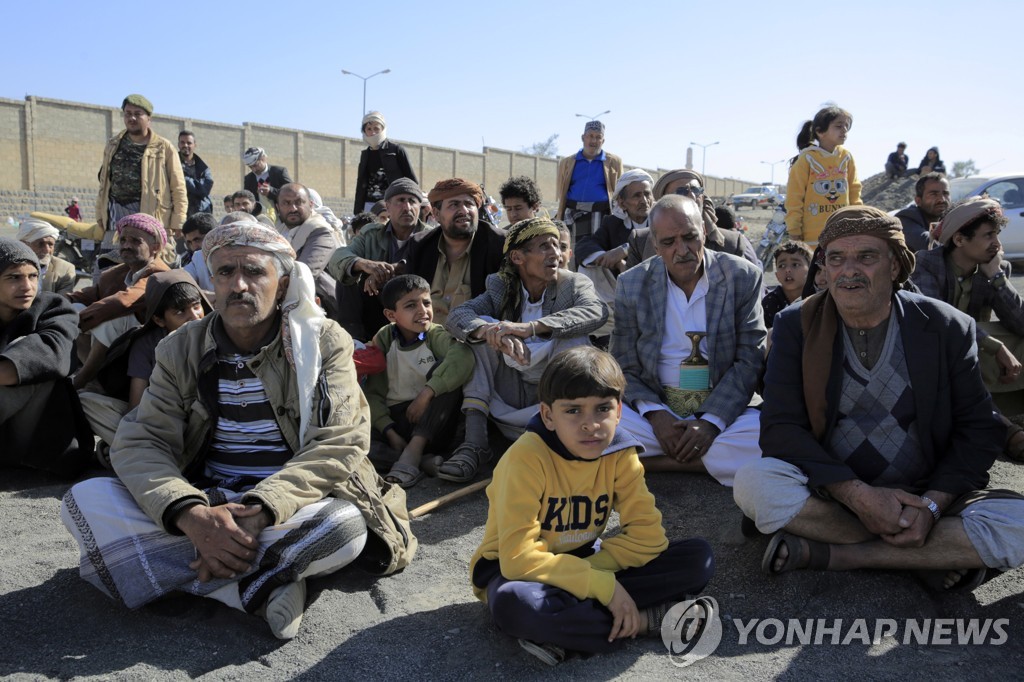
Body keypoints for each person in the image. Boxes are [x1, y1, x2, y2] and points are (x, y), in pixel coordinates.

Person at [61, 221, 417, 639]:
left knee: (344, 527)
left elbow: (340, 444)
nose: (239, 285)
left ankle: (203, 566)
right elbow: (142, 440)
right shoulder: (181, 346)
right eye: (226, 273)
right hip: (204, 493)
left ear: (282, 285)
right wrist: (189, 514)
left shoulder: (323, 341)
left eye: (254, 272)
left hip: (290, 504)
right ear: (212, 282)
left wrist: (261, 510)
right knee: (83, 500)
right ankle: (253, 588)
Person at [733, 205, 1024, 593]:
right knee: (754, 483)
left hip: (928, 492)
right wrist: (860, 496)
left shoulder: (948, 327)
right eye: (836, 258)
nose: (848, 271)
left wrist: (934, 505)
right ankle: (930, 555)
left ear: (895, 267)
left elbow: (978, 428)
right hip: (833, 491)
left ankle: (835, 554)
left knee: (1018, 522)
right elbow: (780, 428)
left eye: (866, 257)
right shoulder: (795, 324)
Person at [469, 346, 715, 664]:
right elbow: (518, 560)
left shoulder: (621, 453)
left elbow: (648, 539)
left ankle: (567, 633)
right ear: (548, 415)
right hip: (521, 574)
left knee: (698, 558)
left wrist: (594, 579)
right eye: (573, 411)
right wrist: (604, 588)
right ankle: (646, 621)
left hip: (584, 561)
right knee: (515, 604)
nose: (590, 424)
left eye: (602, 409)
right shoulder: (525, 458)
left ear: (619, 412)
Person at [612, 195, 765, 485]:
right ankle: (709, 462)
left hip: (723, 410)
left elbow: (749, 361)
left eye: (690, 237)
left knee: (769, 436)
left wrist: (710, 422)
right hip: (655, 409)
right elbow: (623, 365)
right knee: (594, 427)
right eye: (669, 242)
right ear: (655, 245)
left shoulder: (742, 276)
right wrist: (657, 416)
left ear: (703, 233)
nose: (682, 250)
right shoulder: (632, 284)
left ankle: (651, 463)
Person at [443, 218, 609, 483]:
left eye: (557, 245)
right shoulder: (500, 286)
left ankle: (560, 442)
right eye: (544, 246)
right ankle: (475, 444)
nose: (555, 253)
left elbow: (596, 311)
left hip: (558, 394)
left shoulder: (573, 283)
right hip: (515, 391)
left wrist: (530, 328)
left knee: (574, 342)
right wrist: (490, 333)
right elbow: (458, 316)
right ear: (518, 257)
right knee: (481, 331)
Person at [910, 197, 1024, 460]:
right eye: (988, 235)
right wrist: (994, 346)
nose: (996, 243)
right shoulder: (926, 264)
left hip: (975, 356)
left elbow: (1020, 322)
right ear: (960, 240)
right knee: (951, 347)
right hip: (937, 356)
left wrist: (997, 278)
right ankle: (1007, 432)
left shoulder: (994, 266)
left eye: (996, 234)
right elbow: (938, 319)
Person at [78, 270, 208, 457]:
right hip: (160, 424)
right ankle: (139, 451)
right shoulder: (146, 344)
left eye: (196, 306)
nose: (194, 316)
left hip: (205, 424)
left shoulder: (216, 335)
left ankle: (130, 452)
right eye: (180, 311)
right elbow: (136, 407)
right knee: (86, 401)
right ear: (159, 319)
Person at [363, 275, 474, 488]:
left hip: (432, 421)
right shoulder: (385, 339)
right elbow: (373, 393)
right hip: (397, 422)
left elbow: (462, 356)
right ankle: (421, 462)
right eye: (411, 305)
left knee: (445, 369)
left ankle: (415, 450)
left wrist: (427, 393)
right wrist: (389, 431)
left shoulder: (434, 335)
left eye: (426, 302)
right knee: (359, 446)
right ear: (391, 315)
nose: (423, 311)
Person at [0, 238, 92, 476]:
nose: (28, 286)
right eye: (14, 278)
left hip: (37, 439)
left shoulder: (54, 307)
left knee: (27, 355)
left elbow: (52, 354)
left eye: (32, 276)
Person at [67, 214, 171, 388]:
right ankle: (95, 374)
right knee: (71, 308)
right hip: (114, 347)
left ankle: (83, 379)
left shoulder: (159, 275)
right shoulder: (115, 274)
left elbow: (124, 302)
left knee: (114, 319)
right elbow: (88, 294)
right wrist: (56, 303)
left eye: (136, 241)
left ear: (155, 247)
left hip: (148, 344)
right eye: (123, 240)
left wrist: (77, 321)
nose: (127, 246)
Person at [328, 178, 430, 341]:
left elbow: (425, 265)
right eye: (400, 201)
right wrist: (365, 265)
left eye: (412, 201)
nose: (407, 207)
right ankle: (354, 341)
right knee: (347, 276)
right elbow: (337, 258)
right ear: (388, 206)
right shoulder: (371, 234)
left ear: (420, 207)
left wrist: (386, 272)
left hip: (414, 307)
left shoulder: (431, 236)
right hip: (376, 304)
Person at [402, 178, 507, 326]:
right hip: (425, 337)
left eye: (469, 204)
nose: (464, 211)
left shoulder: (499, 245)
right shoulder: (420, 245)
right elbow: (407, 299)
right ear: (436, 214)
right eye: (454, 205)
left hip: (474, 341)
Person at [95, 94, 188, 249]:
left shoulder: (163, 148)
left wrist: (178, 221)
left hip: (149, 214)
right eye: (128, 114)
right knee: (110, 265)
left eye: (137, 114)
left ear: (148, 118)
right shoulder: (113, 145)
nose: (132, 118)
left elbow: (178, 187)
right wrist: (100, 213)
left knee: (146, 263)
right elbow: (104, 182)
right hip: (115, 213)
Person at [626, 169, 759, 269]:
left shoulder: (732, 243)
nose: (692, 196)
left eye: (696, 190)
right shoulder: (641, 241)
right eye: (681, 191)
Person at [784, 105, 862, 244]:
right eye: (838, 126)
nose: (844, 130)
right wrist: (794, 231)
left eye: (846, 126)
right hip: (813, 239)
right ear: (820, 132)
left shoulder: (846, 157)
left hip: (843, 235)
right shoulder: (807, 159)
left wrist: (858, 219)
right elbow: (794, 198)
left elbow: (854, 192)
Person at [555, 121, 623, 254]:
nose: (594, 140)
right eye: (590, 136)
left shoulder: (614, 162)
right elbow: (561, 190)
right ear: (583, 137)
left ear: (603, 140)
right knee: (572, 253)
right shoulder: (567, 163)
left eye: (598, 137)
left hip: (601, 215)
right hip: (572, 214)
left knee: (597, 253)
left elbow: (619, 190)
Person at [275, 183, 341, 319]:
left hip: (322, 309)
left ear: (310, 205)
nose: (293, 208)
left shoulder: (320, 231)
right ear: (278, 207)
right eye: (286, 203)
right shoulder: (281, 231)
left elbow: (304, 274)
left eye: (299, 202)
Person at [353, 112, 418, 214]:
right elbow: (360, 183)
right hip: (369, 205)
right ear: (364, 131)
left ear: (383, 129)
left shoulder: (396, 150)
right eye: (369, 129)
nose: (373, 132)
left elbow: (411, 180)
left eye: (376, 128)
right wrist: (357, 211)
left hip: (393, 203)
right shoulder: (365, 154)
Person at [18, 218, 76, 295]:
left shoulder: (65, 270)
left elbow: (61, 302)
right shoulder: (8, 267)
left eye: (50, 244)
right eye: (40, 244)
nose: (47, 250)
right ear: (24, 245)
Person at [762, 241, 813, 329]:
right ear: (777, 275)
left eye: (795, 265)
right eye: (782, 266)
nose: (787, 270)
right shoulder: (770, 303)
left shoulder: (818, 297)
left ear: (811, 270)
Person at [896, 172, 950, 252]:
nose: (942, 199)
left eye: (945, 193)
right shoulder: (906, 219)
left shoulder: (950, 219)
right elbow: (929, 245)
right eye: (934, 194)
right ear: (918, 201)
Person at [242, 147, 292, 223]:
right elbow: (248, 199)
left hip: (282, 218)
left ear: (263, 158)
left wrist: (271, 191)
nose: (254, 169)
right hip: (260, 219)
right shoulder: (248, 178)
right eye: (250, 167)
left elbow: (291, 193)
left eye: (255, 165)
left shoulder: (279, 172)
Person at [178, 130, 214, 217]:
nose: (185, 145)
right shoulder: (172, 164)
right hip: (179, 213)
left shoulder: (204, 168)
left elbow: (204, 190)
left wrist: (183, 179)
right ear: (178, 144)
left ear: (194, 145)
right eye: (182, 142)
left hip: (201, 212)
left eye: (189, 143)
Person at [181, 212, 217, 291]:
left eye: (197, 239)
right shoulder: (187, 260)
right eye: (189, 242)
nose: (193, 246)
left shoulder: (230, 256)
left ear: (212, 235)